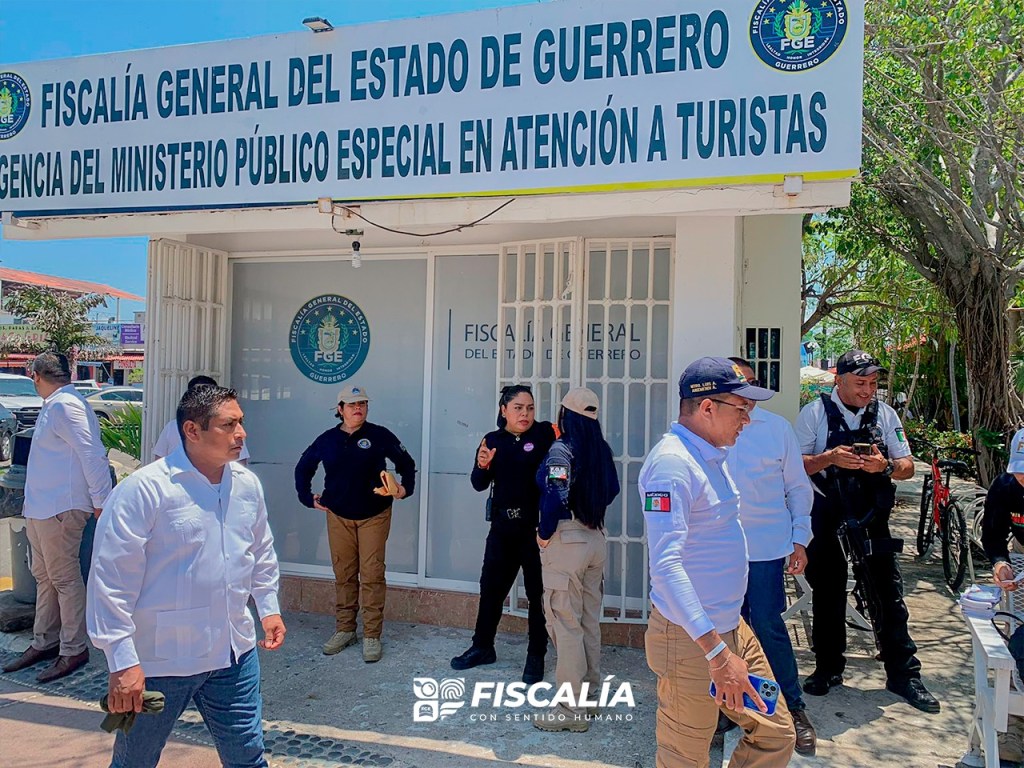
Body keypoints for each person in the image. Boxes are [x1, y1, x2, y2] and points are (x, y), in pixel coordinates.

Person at [86, 385, 285, 768]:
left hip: (234, 654)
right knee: (135, 761)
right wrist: (122, 660)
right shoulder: (144, 491)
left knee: (248, 755)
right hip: (160, 661)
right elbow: (110, 582)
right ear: (192, 431)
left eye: (241, 422)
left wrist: (268, 608)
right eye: (229, 425)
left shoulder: (246, 485)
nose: (241, 434)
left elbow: (260, 551)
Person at [641, 356, 796, 766]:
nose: (748, 418)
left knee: (776, 733)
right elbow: (667, 567)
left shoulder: (710, 456)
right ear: (707, 407)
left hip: (730, 626)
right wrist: (716, 654)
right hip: (692, 639)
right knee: (684, 758)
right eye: (740, 407)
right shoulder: (672, 466)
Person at [795, 348, 939, 712]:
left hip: (872, 516)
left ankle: (904, 674)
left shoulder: (885, 415)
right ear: (838, 380)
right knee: (827, 594)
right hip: (826, 513)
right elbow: (794, 467)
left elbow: (907, 466)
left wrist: (884, 466)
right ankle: (828, 668)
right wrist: (829, 458)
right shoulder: (813, 415)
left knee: (888, 594)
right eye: (860, 382)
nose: (867, 390)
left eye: (873, 383)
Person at [725, 357, 817, 755]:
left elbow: (798, 488)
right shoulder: (708, 428)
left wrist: (800, 539)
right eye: (735, 385)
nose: (743, 394)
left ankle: (792, 708)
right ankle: (725, 711)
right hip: (719, 551)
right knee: (725, 630)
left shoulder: (777, 429)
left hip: (764, 550)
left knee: (767, 626)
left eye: (749, 384)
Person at [2, 352, 111, 682]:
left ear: (35, 376)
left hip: (60, 509)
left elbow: (92, 453)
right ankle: (45, 641)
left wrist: (102, 503)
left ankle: (73, 648)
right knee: (44, 576)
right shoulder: (57, 404)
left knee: (64, 579)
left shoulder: (67, 405)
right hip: (42, 508)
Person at [295, 384, 416, 663]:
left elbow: (406, 463)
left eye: (362, 404)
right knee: (345, 574)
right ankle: (345, 630)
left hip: (374, 514)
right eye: (351, 405)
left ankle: (372, 635)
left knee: (372, 574)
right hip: (338, 515)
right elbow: (304, 467)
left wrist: (403, 489)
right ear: (340, 410)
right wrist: (306, 497)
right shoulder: (327, 439)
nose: (358, 408)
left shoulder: (379, 435)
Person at [451, 385, 556, 684]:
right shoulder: (492, 440)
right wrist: (483, 466)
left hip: (535, 532)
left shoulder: (545, 435)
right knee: (491, 590)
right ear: (504, 410)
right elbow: (477, 483)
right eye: (519, 408)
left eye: (530, 408)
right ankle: (483, 646)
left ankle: (536, 655)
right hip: (502, 530)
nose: (525, 414)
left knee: (537, 595)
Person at [533, 387, 619, 733]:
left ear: (564, 415)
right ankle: (590, 697)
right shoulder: (600, 450)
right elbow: (611, 489)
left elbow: (555, 491)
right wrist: (589, 511)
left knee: (564, 623)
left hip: (566, 541)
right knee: (586, 622)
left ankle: (570, 710)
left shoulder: (561, 450)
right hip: (595, 538)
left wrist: (544, 530)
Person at [152, 375, 250, 465]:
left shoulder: (234, 432)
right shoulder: (172, 427)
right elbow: (159, 459)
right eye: (197, 394)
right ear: (191, 430)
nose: (242, 433)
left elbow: (240, 462)